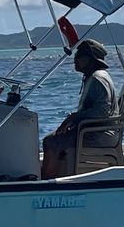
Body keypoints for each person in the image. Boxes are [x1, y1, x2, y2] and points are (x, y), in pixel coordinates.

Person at [40, 39, 117, 180]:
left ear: (92, 60)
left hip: (98, 135)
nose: (75, 59)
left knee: (51, 143)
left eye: (80, 55)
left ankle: (46, 184)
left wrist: (73, 118)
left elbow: (103, 112)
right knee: (51, 139)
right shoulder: (92, 77)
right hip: (89, 130)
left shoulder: (98, 79)